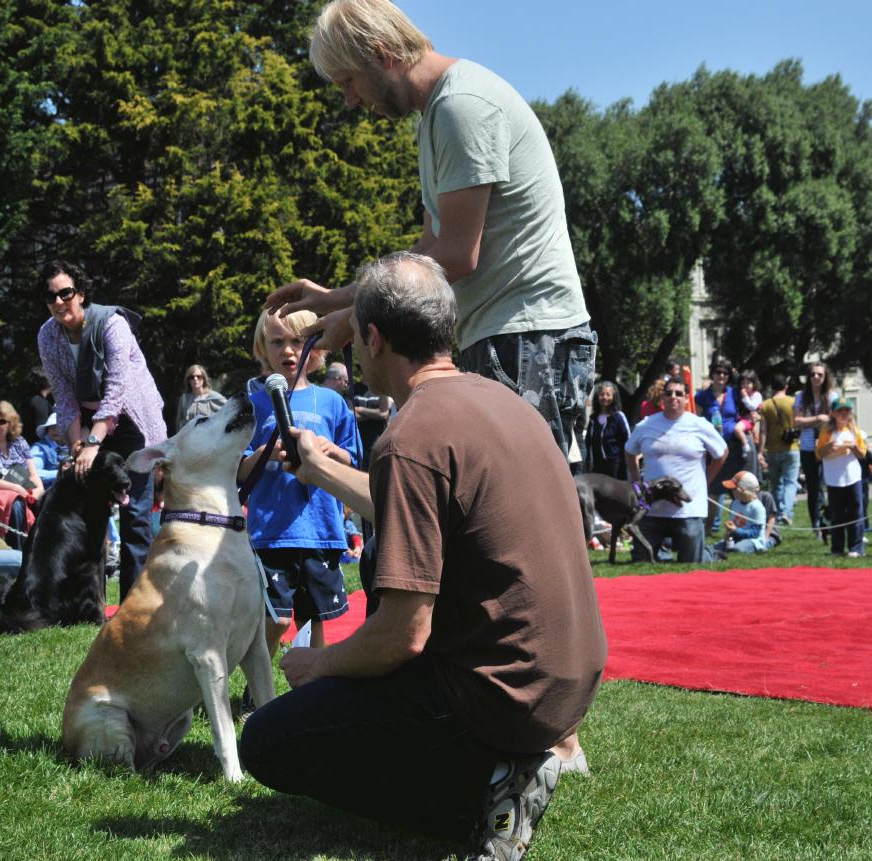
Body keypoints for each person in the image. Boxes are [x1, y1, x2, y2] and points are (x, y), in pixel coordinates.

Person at [239, 252, 605, 861]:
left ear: (375, 339)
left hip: (496, 695)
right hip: (565, 691)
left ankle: (483, 800)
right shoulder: (504, 402)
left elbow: (401, 636)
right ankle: (512, 764)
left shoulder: (411, 436)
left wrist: (318, 668)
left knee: (268, 740)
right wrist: (325, 470)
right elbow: (417, 509)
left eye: (356, 338)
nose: (352, 353)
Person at [265, 0, 596, 468]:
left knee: (517, 514)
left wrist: (358, 315)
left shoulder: (462, 107)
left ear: (381, 53)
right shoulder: (438, 116)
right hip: (506, 336)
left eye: (348, 82)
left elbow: (459, 256)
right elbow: (427, 254)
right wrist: (335, 299)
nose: (351, 101)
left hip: (527, 335)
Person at [36, 260, 166, 602]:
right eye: (50, 297)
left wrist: (93, 441)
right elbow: (64, 397)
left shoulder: (112, 323)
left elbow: (117, 388)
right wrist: (77, 445)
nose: (59, 302)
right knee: (91, 513)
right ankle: (89, 600)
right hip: (91, 425)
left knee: (135, 513)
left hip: (132, 422)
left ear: (80, 293)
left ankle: (133, 604)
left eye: (65, 293)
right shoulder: (48, 335)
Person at [237, 307, 362, 659]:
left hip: (322, 530)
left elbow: (354, 459)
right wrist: (261, 454)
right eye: (277, 342)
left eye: (297, 341)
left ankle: (311, 689)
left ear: (317, 349)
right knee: (275, 619)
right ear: (262, 348)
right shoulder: (254, 404)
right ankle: (256, 687)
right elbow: (238, 469)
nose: (288, 350)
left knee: (315, 620)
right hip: (271, 532)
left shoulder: (333, 402)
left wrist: (329, 451)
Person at [625, 376, 728, 563]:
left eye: (679, 393)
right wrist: (635, 480)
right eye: (669, 393)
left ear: (687, 398)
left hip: (688, 509)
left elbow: (722, 453)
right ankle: (664, 551)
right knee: (641, 560)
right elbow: (629, 451)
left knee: (690, 561)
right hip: (652, 509)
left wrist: (706, 480)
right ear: (662, 397)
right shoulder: (646, 425)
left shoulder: (699, 425)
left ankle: (711, 553)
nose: (674, 397)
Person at [0, 401, 45, 544]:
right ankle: (18, 551)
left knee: (45, 503)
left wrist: (38, 492)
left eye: (1, 422)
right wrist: (18, 489)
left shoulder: (20, 442)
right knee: (16, 504)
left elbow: (34, 476)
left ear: (11, 423)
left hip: (23, 493)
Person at [694, 358, 741, 532]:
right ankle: (708, 524)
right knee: (712, 484)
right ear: (712, 374)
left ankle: (718, 524)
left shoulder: (734, 394)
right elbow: (697, 419)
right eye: (718, 372)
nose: (721, 376)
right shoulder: (702, 396)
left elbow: (743, 413)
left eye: (725, 373)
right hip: (710, 446)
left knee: (727, 485)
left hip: (731, 445)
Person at [816, 399, 868, 558]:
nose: (844, 414)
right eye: (840, 411)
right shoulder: (827, 432)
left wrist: (853, 446)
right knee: (837, 515)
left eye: (847, 411)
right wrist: (829, 446)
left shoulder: (854, 431)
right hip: (834, 479)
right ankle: (837, 548)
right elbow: (819, 454)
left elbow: (862, 454)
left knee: (855, 513)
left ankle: (856, 547)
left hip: (852, 477)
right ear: (833, 414)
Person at [794, 362, 837, 540]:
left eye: (819, 374)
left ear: (825, 377)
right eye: (812, 374)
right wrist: (818, 418)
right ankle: (816, 525)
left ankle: (830, 520)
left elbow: (838, 420)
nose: (816, 378)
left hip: (829, 447)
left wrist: (825, 420)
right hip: (808, 447)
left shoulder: (833, 396)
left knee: (833, 486)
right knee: (813, 488)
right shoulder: (801, 397)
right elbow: (796, 421)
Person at [757, 374, 798, 525]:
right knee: (790, 482)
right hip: (791, 447)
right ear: (786, 386)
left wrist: (761, 452)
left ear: (771, 387)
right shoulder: (793, 402)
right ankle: (786, 512)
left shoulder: (765, 405)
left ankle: (777, 513)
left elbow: (763, 431)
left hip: (773, 449)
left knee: (776, 484)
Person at [711, 471, 769, 556]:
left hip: (753, 540)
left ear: (743, 490)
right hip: (735, 538)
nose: (731, 491)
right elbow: (733, 523)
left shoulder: (757, 507)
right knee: (714, 547)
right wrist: (729, 531)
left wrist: (736, 530)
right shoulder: (735, 503)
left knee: (737, 549)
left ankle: (757, 550)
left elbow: (755, 533)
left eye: (734, 488)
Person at [584, 381, 630, 479]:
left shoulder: (619, 417)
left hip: (615, 465)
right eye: (602, 394)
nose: (605, 397)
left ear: (614, 397)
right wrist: (587, 462)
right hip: (597, 465)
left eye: (608, 394)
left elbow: (627, 441)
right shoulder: (593, 419)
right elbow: (588, 443)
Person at [174, 364, 227, 432]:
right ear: (188, 380)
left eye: (198, 376)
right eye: (192, 377)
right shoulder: (184, 399)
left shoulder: (214, 397)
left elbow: (229, 411)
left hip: (208, 438)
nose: (195, 379)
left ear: (203, 378)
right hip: (189, 439)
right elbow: (178, 423)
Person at [30, 413, 68, 488]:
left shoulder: (75, 446)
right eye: (51, 427)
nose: (55, 430)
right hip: (49, 493)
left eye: (58, 426)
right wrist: (60, 472)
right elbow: (33, 472)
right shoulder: (39, 448)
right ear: (47, 430)